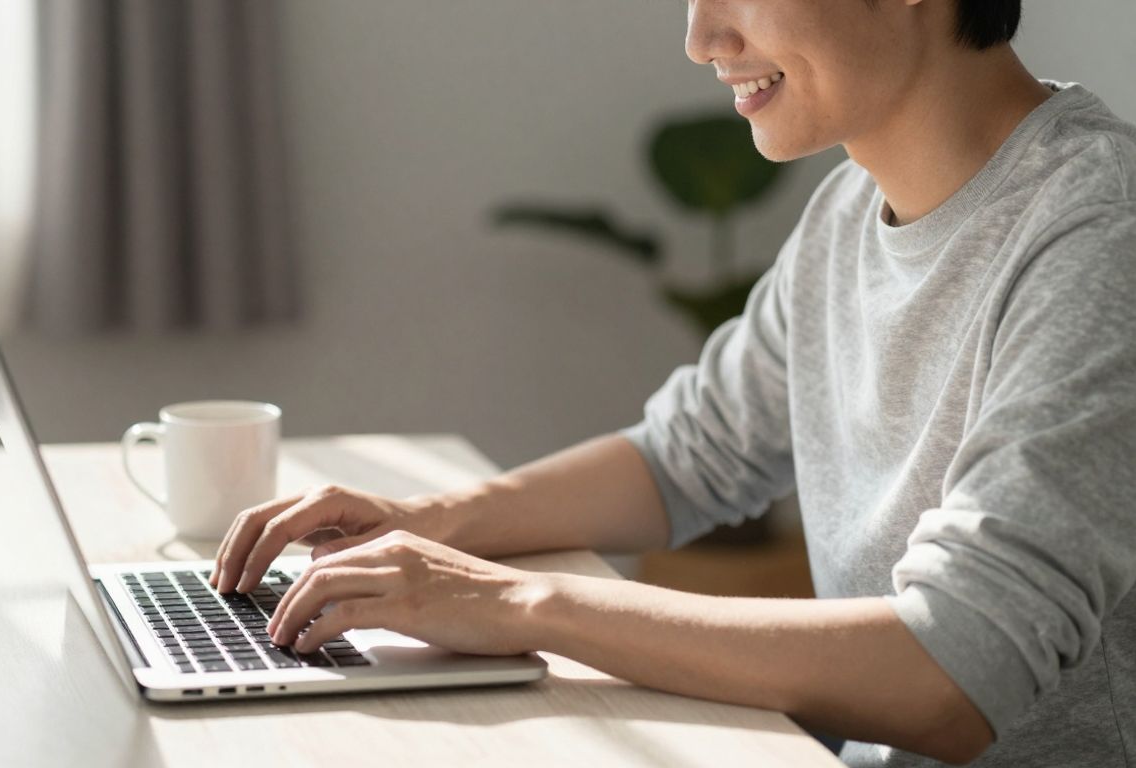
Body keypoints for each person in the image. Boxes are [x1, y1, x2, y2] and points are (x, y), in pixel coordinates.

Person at [209, 0, 1136, 764]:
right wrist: (429, 523)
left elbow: (952, 673)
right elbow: (687, 457)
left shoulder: (1099, 236)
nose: (702, 38)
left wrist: (512, 603)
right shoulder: (851, 210)